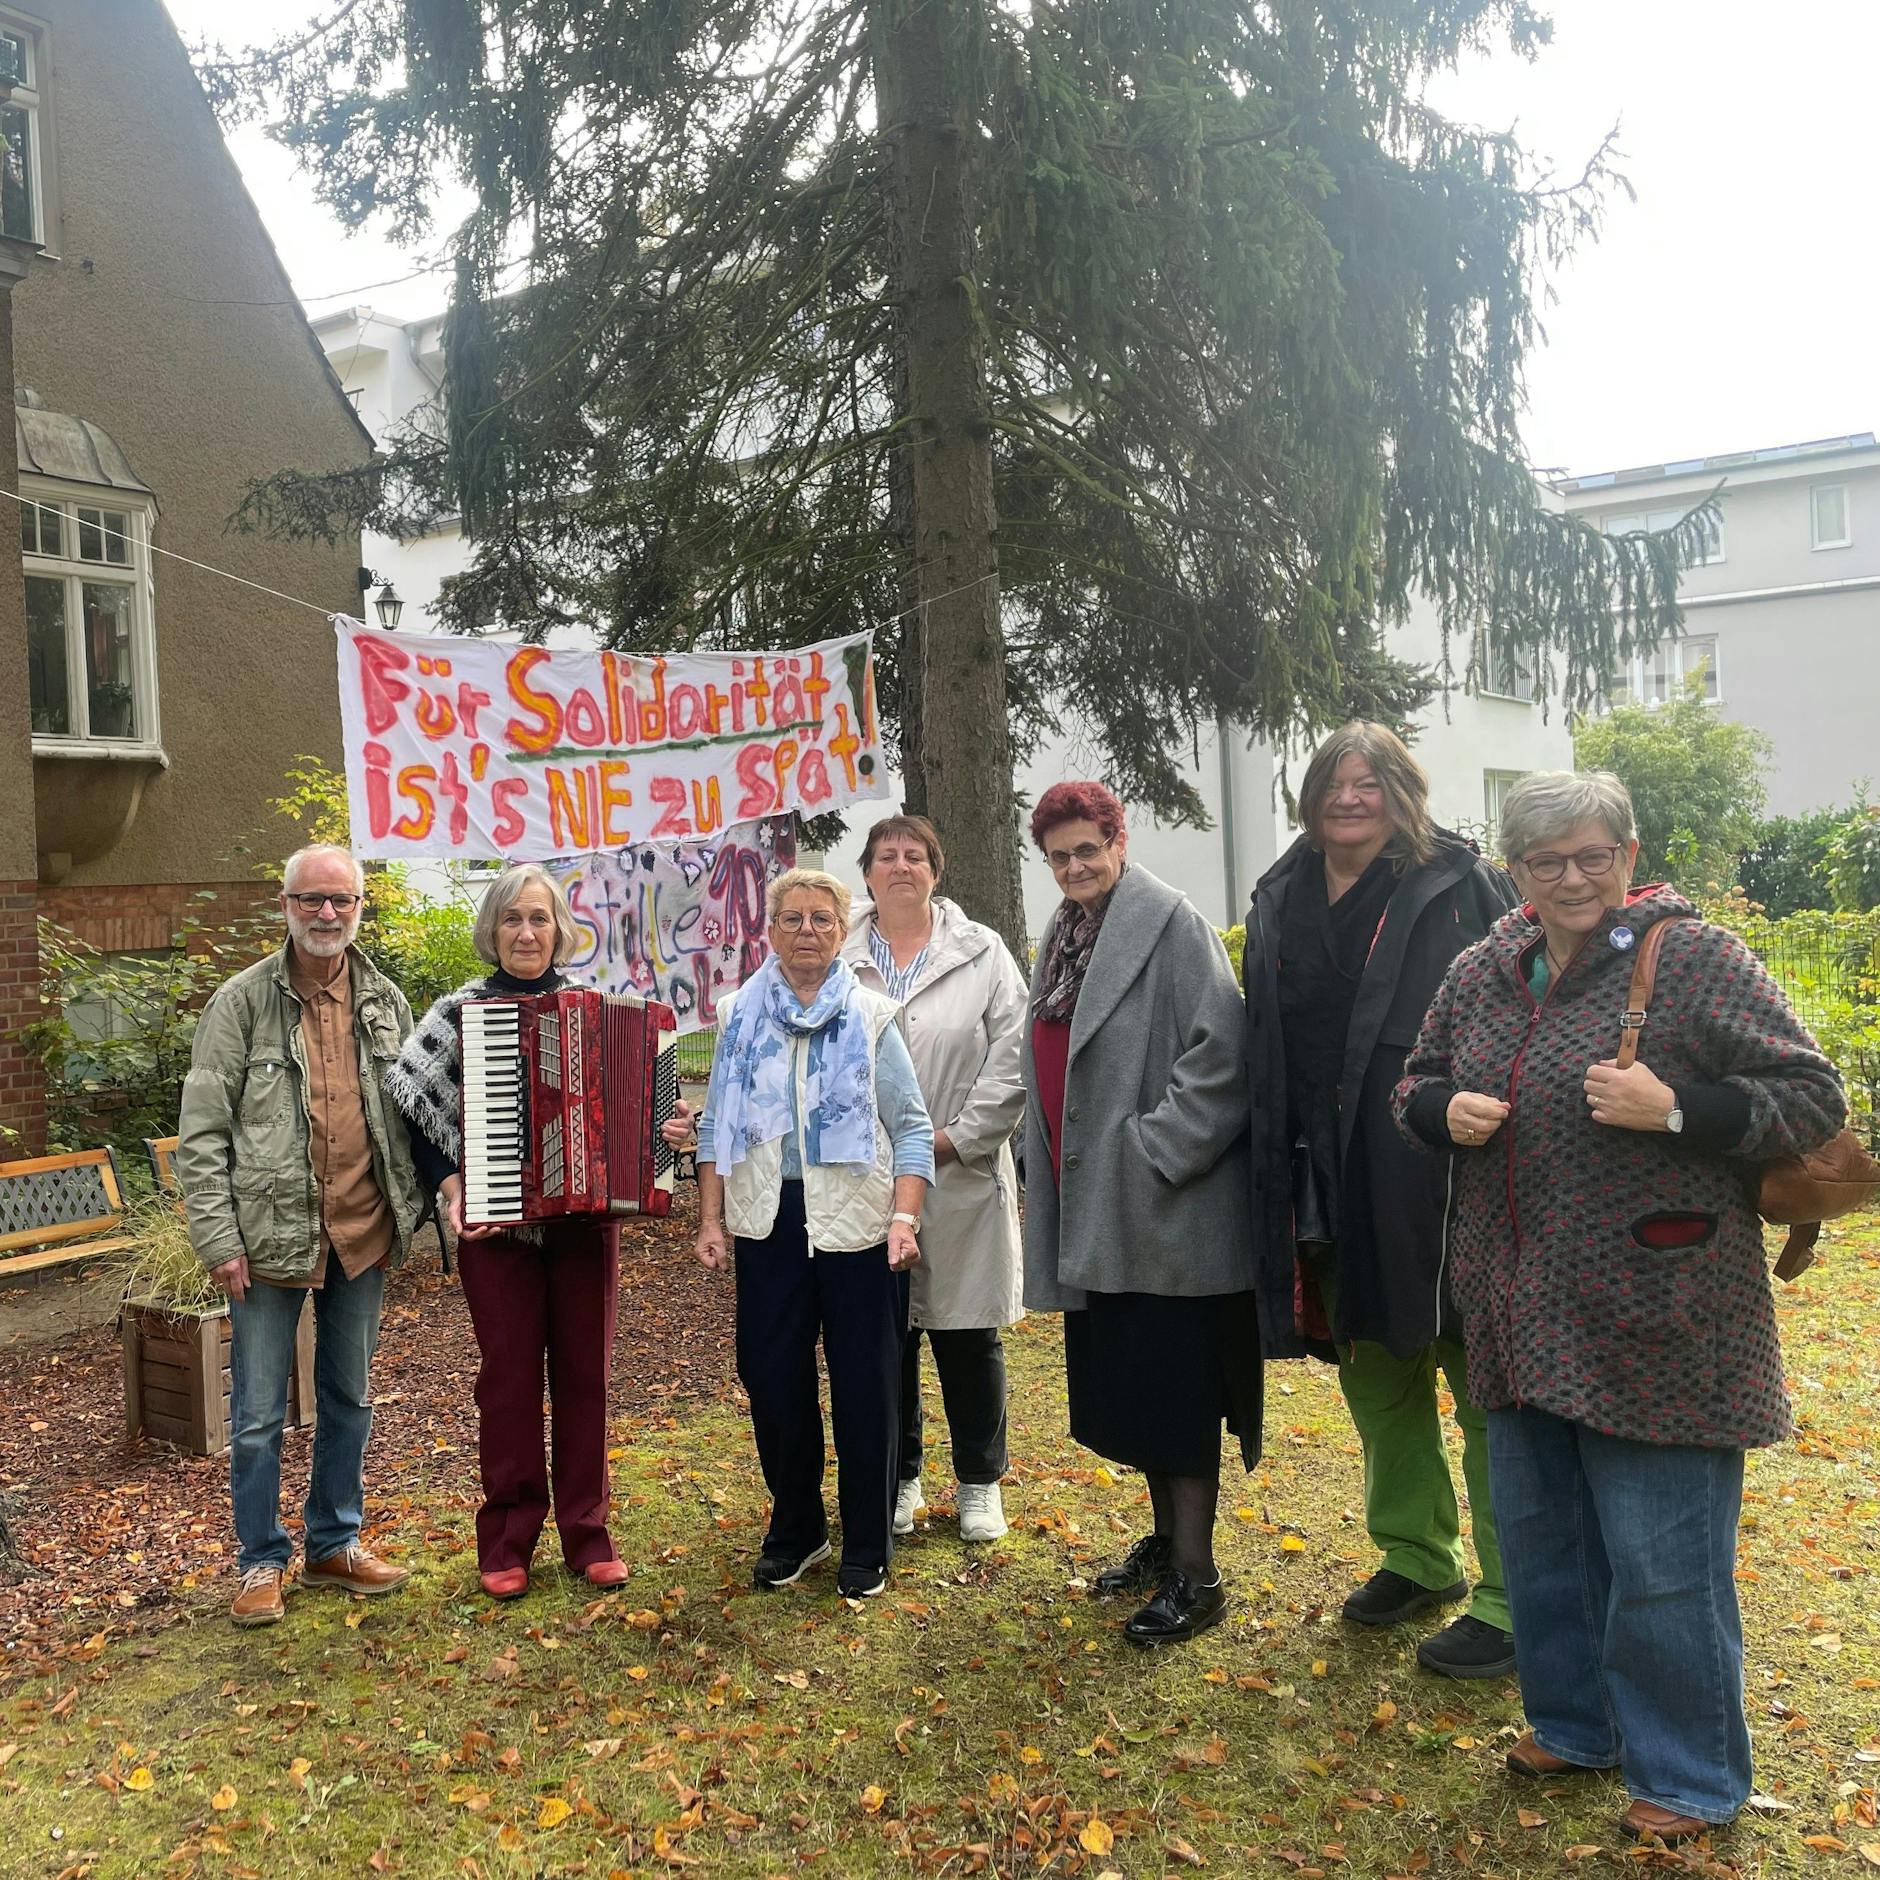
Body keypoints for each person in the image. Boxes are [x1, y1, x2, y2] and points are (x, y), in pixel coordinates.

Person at [1392, 769, 1845, 1843]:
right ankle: (1573, 1721)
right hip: (1515, 1305)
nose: (1571, 876)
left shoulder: (1690, 957)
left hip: (1663, 1308)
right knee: (1545, 1545)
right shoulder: (1483, 966)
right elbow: (1411, 1080)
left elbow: (1813, 1095)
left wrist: (1679, 1106)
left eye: (1593, 854)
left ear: (1629, 855)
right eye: (1546, 859)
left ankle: (1686, 1773)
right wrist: (1437, 1108)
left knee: (1657, 1560)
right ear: (1514, 868)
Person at [1244, 723, 1517, 1678]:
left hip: (1433, 1166)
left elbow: (1519, 1012)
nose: (1348, 798)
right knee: (1369, 1360)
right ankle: (1417, 1553)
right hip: (1322, 1169)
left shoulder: (1459, 883)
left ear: (1401, 792)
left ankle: (1511, 1595)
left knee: (1475, 1372)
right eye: (1333, 782)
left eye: (1369, 783)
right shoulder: (1279, 891)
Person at [1022, 781, 1256, 1646]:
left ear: (1120, 841)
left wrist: (1152, 1151)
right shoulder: (1070, 931)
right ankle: (1165, 1546)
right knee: (1134, 1389)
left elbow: (1225, 1053)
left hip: (1164, 1211)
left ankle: (1200, 1577)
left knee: (1178, 1392)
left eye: (1089, 847)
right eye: (1060, 854)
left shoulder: (1172, 922)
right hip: (1096, 1206)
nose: (1076, 865)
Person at [178, 844, 426, 1628]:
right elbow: (203, 1133)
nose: (326, 914)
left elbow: (412, 1116)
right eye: (311, 900)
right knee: (255, 1415)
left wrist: (413, 1208)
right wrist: (218, 1238)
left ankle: (333, 1543)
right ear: (284, 905)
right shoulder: (241, 1003)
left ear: (360, 908)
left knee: (348, 1396)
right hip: (266, 1240)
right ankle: (260, 1560)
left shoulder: (386, 1001)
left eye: (341, 901)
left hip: (362, 1231)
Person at [387, 864, 631, 1601]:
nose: (526, 932)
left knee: (586, 1378)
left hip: (585, 1228)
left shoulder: (595, 1010)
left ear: (560, 929)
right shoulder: (458, 1012)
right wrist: (452, 1184)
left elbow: (630, 1102)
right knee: (509, 1382)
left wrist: (657, 1135)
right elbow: (413, 1097)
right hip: (495, 1231)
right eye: (512, 920)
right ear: (492, 931)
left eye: (540, 918)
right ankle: (507, 1541)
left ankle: (589, 1537)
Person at [692, 868, 934, 1599]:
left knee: (867, 1386)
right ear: (770, 930)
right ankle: (797, 1525)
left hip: (860, 1226)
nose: (807, 932)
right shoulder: (738, 1014)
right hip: (768, 1221)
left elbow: (913, 1128)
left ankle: (867, 1541)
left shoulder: (871, 1015)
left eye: (822, 920)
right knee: (771, 1382)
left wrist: (904, 1217)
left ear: (841, 930)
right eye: (792, 919)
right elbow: (716, 1128)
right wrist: (710, 1217)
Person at [842, 815, 1027, 1544]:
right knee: (885, 1336)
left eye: (914, 854)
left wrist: (950, 1142)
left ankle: (980, 1481)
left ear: (935, 871)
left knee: (966, 1335)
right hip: (863, 1177)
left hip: (961, 1171)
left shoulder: (982, 952)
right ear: (866, 873)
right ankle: (901, 1475)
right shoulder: (839, 950)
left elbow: (1011, 1060)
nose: (900, 866)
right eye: (885, 855)